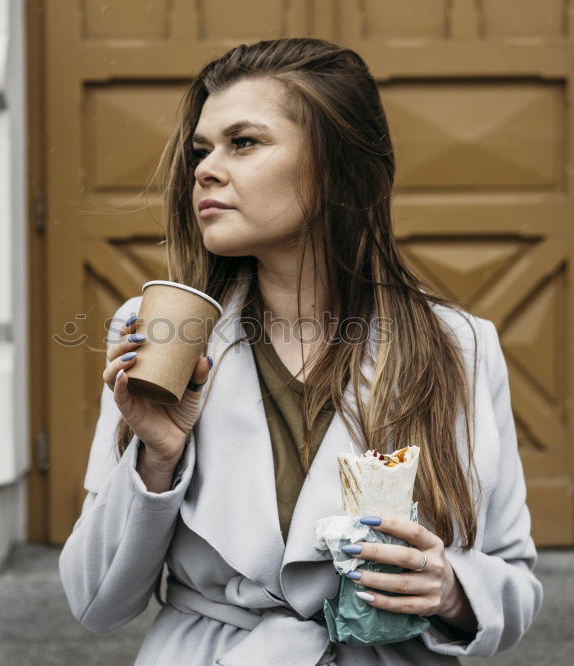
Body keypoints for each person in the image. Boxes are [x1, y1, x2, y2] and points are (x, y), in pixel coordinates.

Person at [59, 37, 543, 665]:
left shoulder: (459, 346)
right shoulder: (161, 335)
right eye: (202, 149)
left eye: (245, 142)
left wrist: (452, 590)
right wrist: (157, 459)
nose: (203, 169)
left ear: (337, 165)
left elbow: (515, 581)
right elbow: (96, 602)